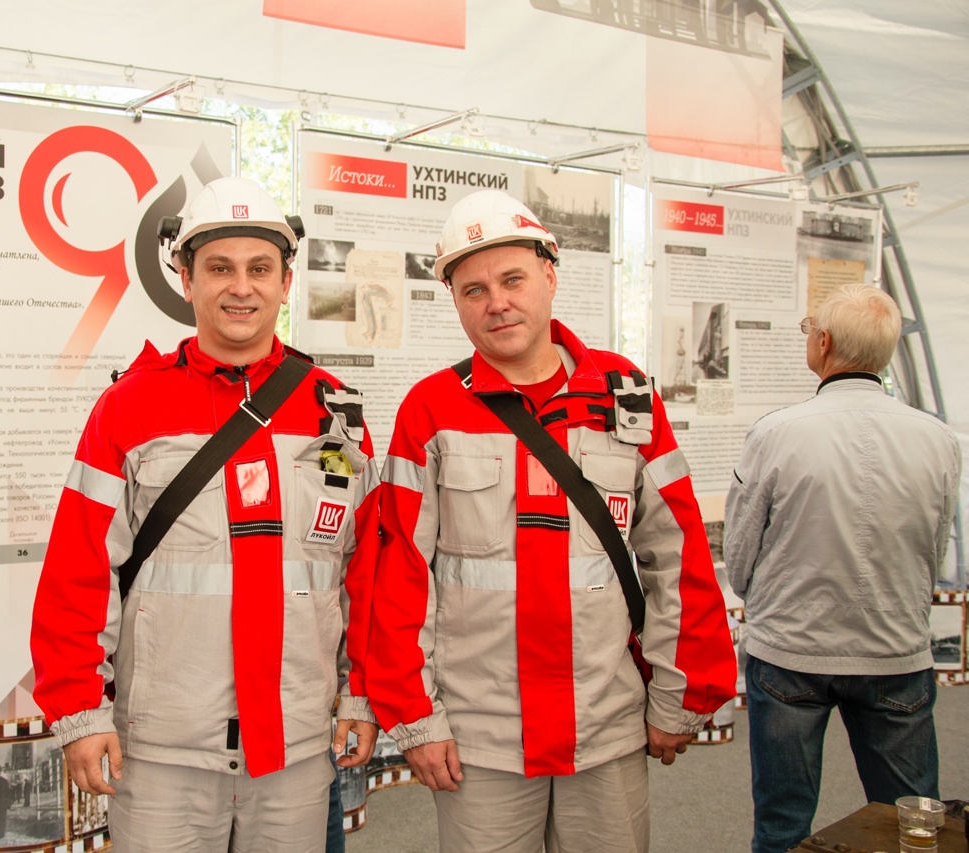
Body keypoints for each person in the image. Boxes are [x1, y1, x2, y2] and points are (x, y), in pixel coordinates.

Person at [366, 189, 736, 853]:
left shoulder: (625, 396)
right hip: (481, 741)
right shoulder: (430, 410)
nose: (497, 302)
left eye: (512, 280)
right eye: (474, 290)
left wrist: (681, 691)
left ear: (550, 275)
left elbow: (677, 555)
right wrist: (416, 717)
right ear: (454, 300)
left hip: (605, 727)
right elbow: (399, 577)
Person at [30, 176, 380, 852]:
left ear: (286, 281)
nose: (241, 287)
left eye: (260, 269)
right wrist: (79, 710)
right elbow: (78, 567)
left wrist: (360, 691)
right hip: (164, 751)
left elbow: (365, 571)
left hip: (295, 745)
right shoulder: (128, 408)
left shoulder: (334, 413)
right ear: (186, 279)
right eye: (219, 268)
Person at [724, 284, 961, 853]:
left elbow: (740, 555)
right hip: (895, 650)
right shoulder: (939, 439)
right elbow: (934, 552)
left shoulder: (777, 433)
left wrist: (768, 598)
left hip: (790, 652)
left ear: (824, 343)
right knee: (913, 826)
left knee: (782, 825)